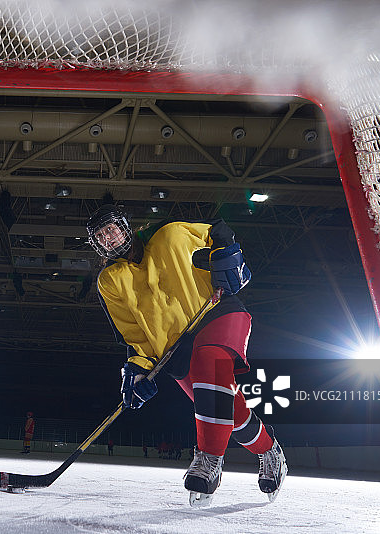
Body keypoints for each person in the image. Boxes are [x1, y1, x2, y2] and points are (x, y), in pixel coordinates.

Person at [86, 204, 287, 504]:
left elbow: (217, 231)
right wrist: (137, 371)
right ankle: (271, 452)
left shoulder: (169, 234)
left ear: (125, 225)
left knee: (209, 367)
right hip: (176, 351)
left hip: (217, 314)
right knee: (229, 412)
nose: (110, 239)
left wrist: (227, 255)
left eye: (111, 229)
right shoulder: (109, 281)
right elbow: (136, 337)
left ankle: (208, 461)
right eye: (102, 237)